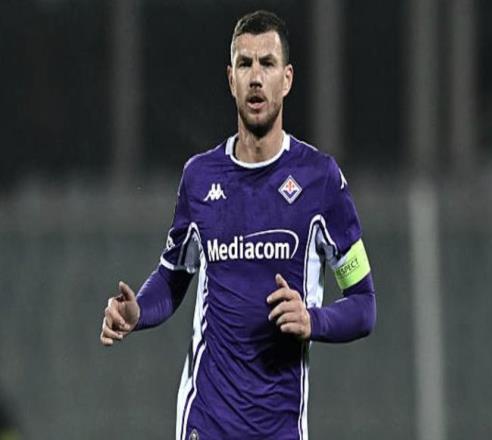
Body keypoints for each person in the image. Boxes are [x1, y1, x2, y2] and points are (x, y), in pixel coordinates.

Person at [100, 10, 376, 440]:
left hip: (279, 427)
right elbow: (173, 277)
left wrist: (313, 320)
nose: (256, 77)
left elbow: (364, 305)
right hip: (206, 422)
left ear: (287, 79)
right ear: (231, 79)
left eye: (267, 63)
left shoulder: (321, 181)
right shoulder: (200, 178)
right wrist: (138, 314)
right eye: (245, 64)